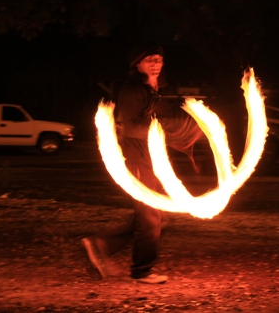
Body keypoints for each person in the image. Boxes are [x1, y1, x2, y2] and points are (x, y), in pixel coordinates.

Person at [82, 43, 202, 284]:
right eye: (149, 59)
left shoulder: (158, 91)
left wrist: (192, 128)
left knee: (157, 216)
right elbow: (131, 126)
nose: (156, 63)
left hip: (152, 159)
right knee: (150, 216)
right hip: (136, 159)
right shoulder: (132, 91)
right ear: (137, 65)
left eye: (159, 58)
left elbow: (170, 119)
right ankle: (142, 270)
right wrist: (162, 127)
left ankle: (100, 244)